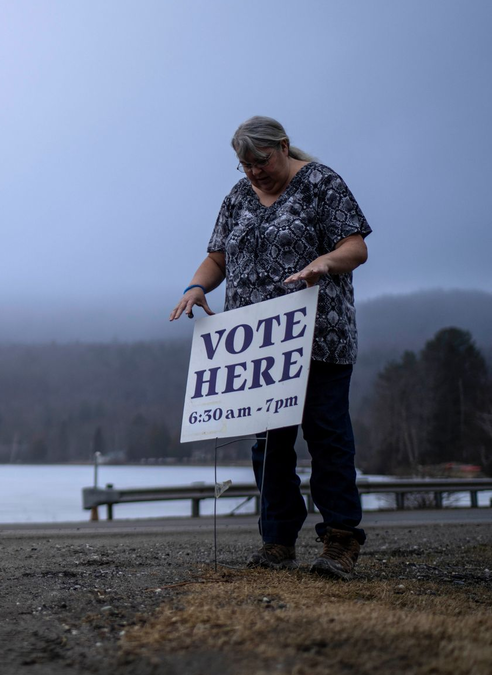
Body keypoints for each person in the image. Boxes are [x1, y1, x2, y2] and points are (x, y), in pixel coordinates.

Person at [169, 116, 372, 580]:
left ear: (283, 147)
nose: (254, 172)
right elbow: (218, 256)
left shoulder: (322, 183)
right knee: (269, 446)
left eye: (261, 161)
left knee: (327, 437)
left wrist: (324, 261)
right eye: (245, 166)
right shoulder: (237, 198)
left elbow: (355, 248)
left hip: (319, 337)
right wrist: (197, 286)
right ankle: (277, 541)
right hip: (257, 348)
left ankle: (340, 540)